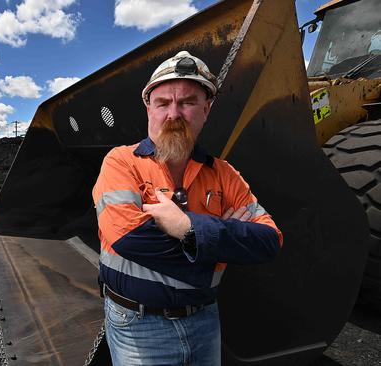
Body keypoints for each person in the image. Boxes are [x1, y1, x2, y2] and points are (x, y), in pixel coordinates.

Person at [92, 51, 283, 365]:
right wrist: (220, 251)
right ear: (149, 108)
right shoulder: (121, 162)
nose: (173, 114)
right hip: (138, 327)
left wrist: (186, 229)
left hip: (205, 321)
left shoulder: (225, 174)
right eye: (163, 103)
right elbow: (129, 238)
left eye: (188, 102)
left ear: (206, 109)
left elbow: (269, 242)